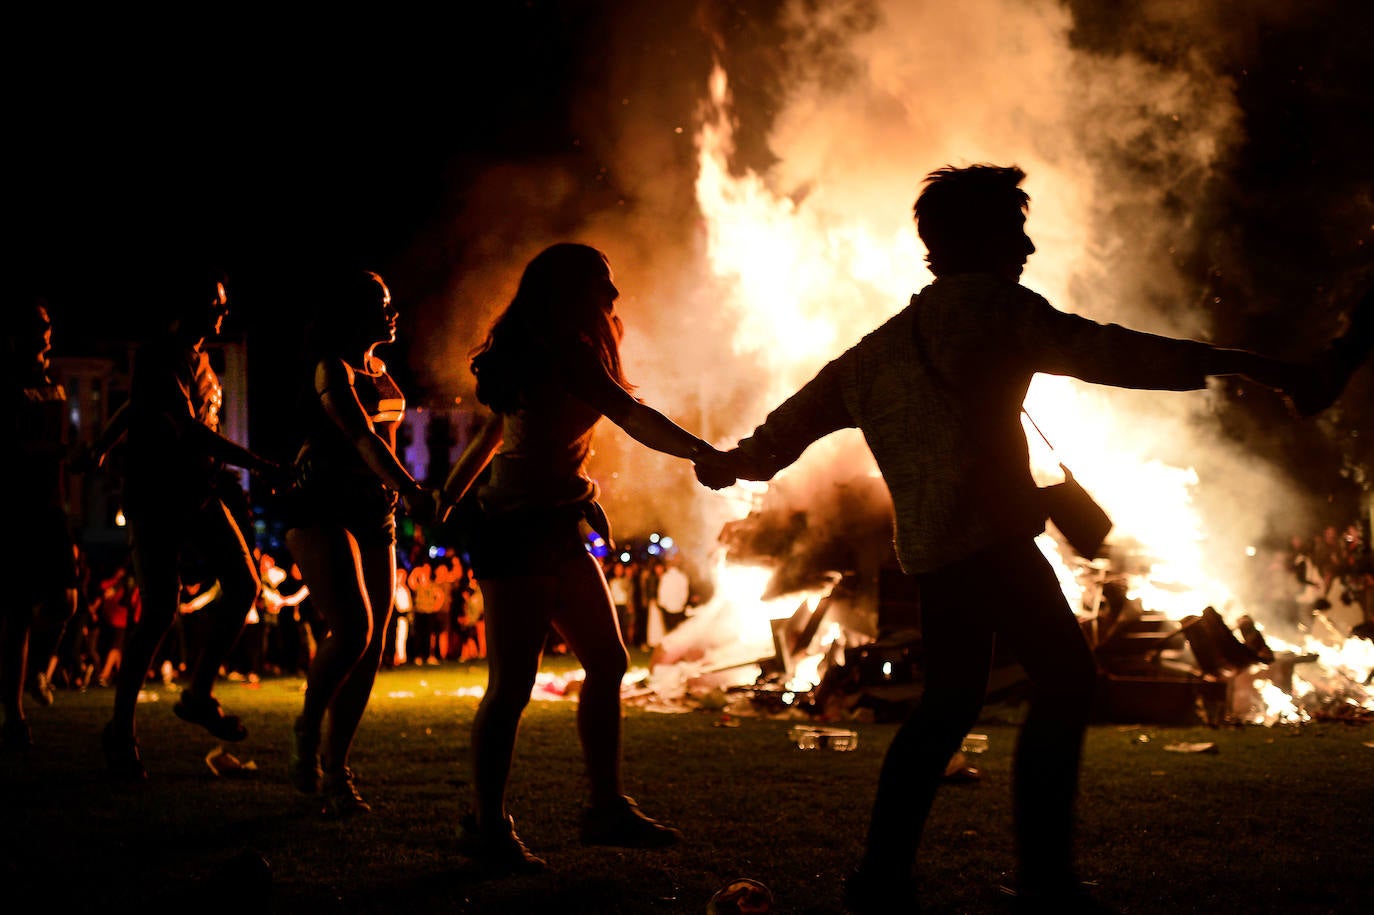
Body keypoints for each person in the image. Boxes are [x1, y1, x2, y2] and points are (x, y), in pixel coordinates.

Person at [697, 165, 1325, 913]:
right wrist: (1253, 365)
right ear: (985, 237)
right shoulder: (996, 310)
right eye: (1014, 229)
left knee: (946, 707)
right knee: (1065, 681)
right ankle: (1042, 878)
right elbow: (1117, 351)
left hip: (934, 556)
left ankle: (883, 878)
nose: (1027, 245)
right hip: (995, 542)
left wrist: (728, 461)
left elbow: (773, 440)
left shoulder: (875, 352)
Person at [438, 242, 735, 872]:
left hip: (552, 524)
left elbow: (497, 433)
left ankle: (604, 808)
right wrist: (705, 453)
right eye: (602, 281)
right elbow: (630, 416)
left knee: (607, 660)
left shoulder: (543, 349)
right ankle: (486, 825)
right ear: (570, 291)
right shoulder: (563, 351)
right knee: (513, 685)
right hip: (519, 529)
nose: (614, 293)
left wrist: (448, 496)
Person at [91, 268, 287, 781]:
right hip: (156, 494)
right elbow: (189, 431)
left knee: (245, 581)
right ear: (189, 305)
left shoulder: (202, 360)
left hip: (199, 490)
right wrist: (260, 464)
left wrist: (100, 445)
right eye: (215, 303)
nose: (223, 311)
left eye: (224, 303)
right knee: (159, 609)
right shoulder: (160, 355)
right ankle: (121, 730)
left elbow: (139, 412)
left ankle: (198, 693)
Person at [283, 269, 438, 817]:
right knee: (354, 628)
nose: (393, 311)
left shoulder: (381, 369)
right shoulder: (333, 368)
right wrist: (412, 490)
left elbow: (388, 439)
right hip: (322, 505)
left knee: (371, 648)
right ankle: (307, 726)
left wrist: (396, 497)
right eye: (381, 303)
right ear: (351, 315)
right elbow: (361, 437)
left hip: (375, 512)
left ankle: (335, 770)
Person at [2, 300, 81, 749]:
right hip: (16, 508)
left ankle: (37, 675)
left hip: (52, 509)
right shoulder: (10, 383)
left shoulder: (54, 382)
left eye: (48, 323)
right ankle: (12, 713)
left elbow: (58, 446)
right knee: (15, 615)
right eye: (37, 325)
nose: (46, 331)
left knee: (66, 603)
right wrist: (57, 454)